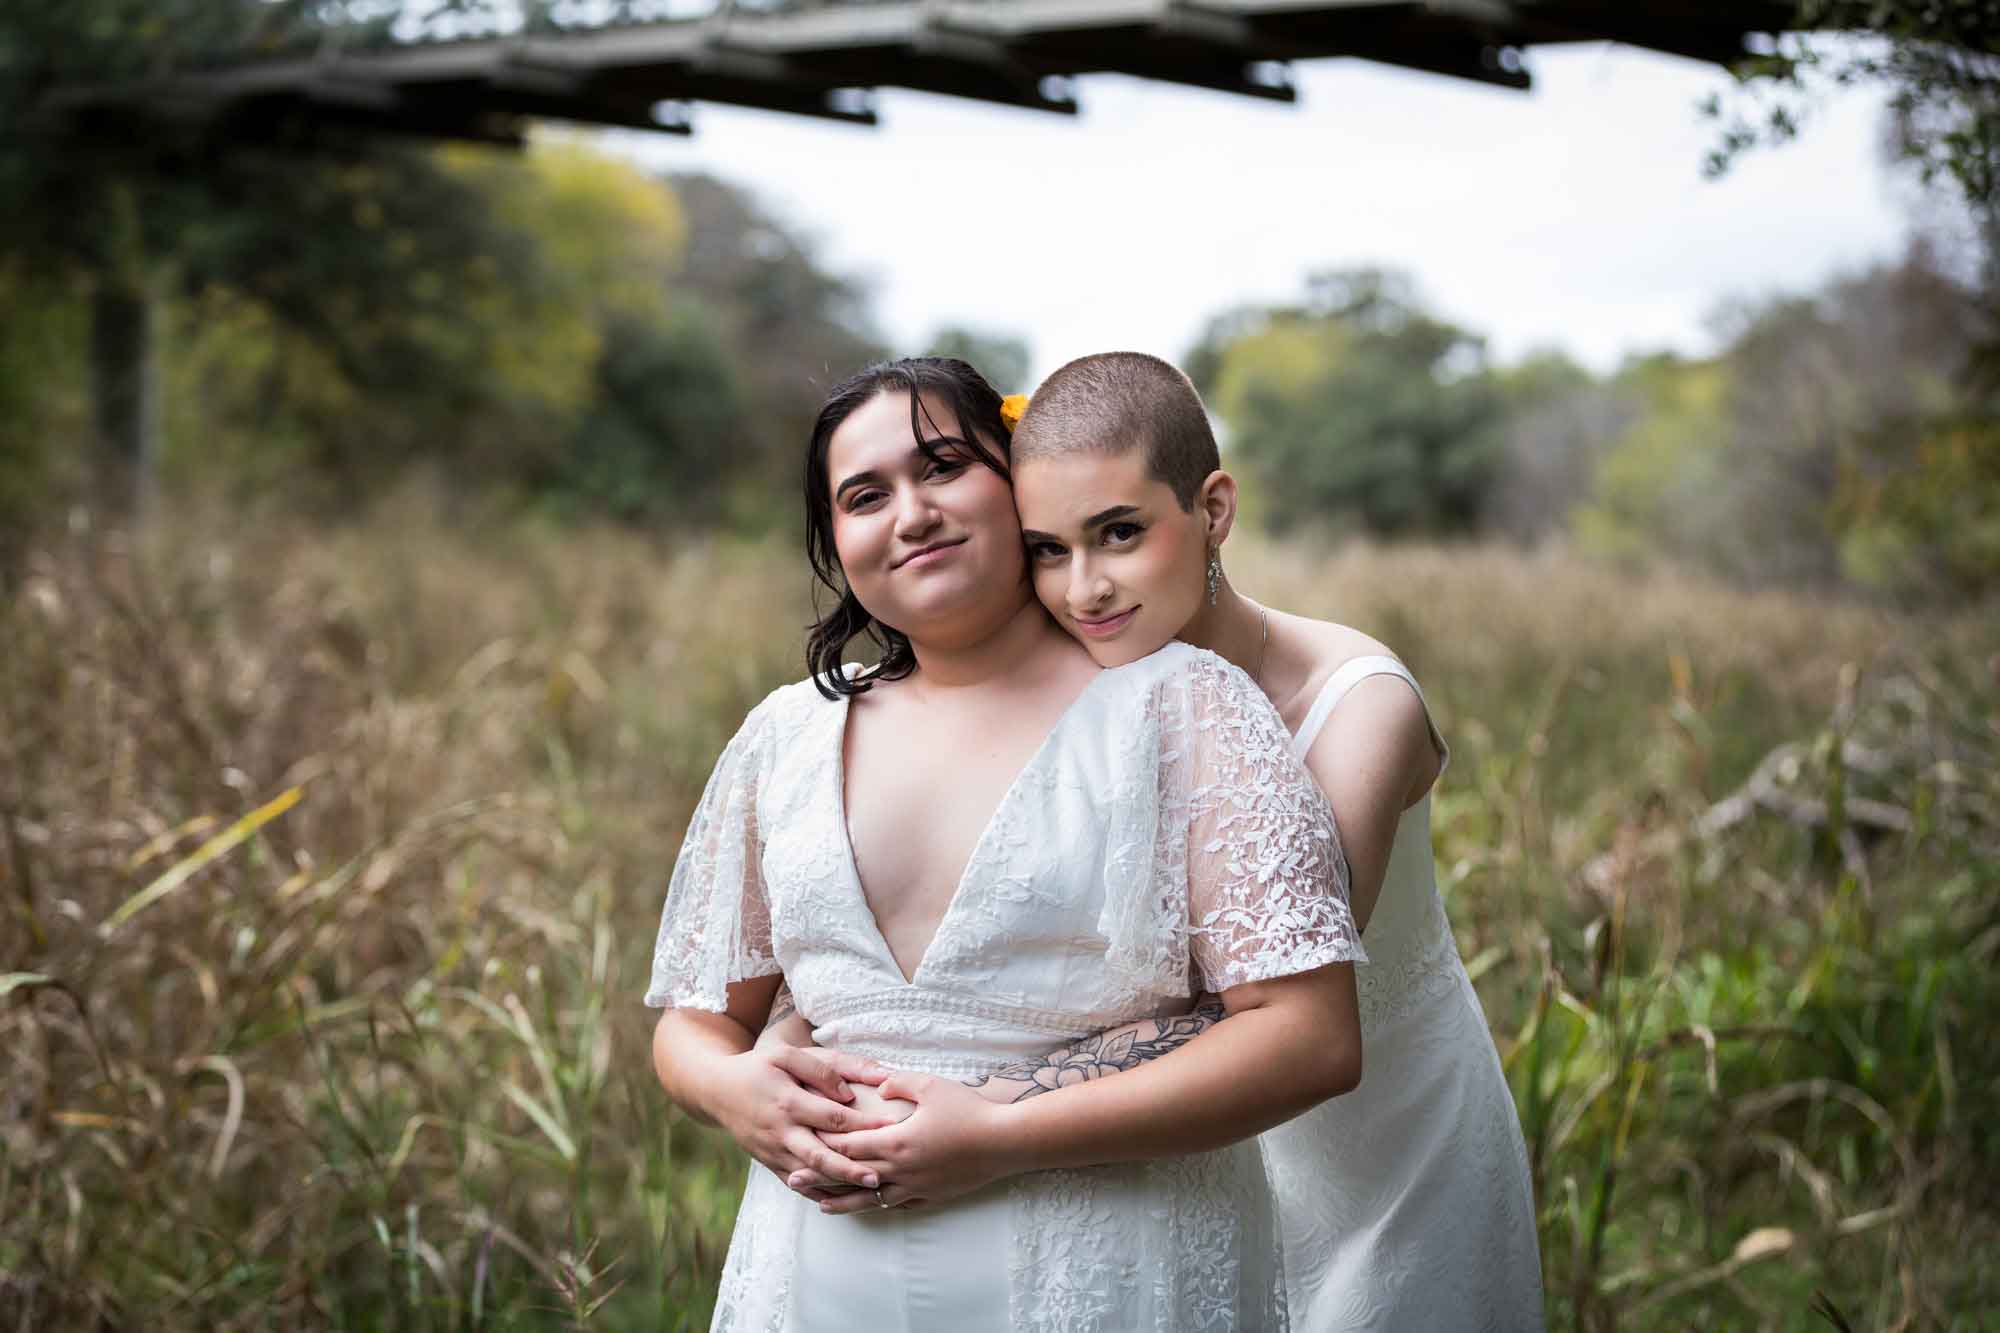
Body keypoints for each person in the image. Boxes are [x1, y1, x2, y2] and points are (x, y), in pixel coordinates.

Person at [782, 352, 1545, 1331]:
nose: (1083, 588)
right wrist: (824, 1021)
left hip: (1381, 1158)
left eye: (1120, 534)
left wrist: (975, 1101)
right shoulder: (1109, 682)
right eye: (1047, 548)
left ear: (1213, 511)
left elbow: (1241, 1003)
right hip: (1186, 1160)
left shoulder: (1356, 705)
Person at [645, 356, 1365, 1331]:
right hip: (811, 1280)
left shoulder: (1183, 707)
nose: (911, 513)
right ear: (834, 542)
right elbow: (694, 1025)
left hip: (1112, 1274)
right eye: (864, 496)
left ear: (1014, 480)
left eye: (941, 466)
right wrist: (731, 1088)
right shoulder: (784, 735)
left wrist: (1000, 1135)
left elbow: (1309, 1037)